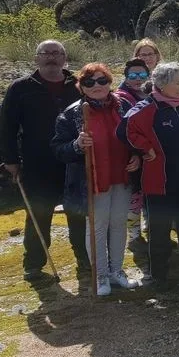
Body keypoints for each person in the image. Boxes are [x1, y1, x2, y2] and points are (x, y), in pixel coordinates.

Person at [0, 40, 90, 282]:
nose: (51, 57)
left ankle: (85, 259)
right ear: (36, 58)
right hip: (37, 162)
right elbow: (7, 126)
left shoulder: (79, 84)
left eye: (56, 53)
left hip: (73, 160)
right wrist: (11, 160)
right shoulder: (20, 88)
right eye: (46, 53)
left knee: (78, 212)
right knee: (39, 213)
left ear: (64, 57)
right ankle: (34, 266)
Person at [118, 62, 179, 291]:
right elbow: (123, 131)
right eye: (177, 83)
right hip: (159, 183)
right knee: (159, 232)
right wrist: (144, 148)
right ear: (161, 84)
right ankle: (158, 276)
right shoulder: (146, 108)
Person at [51, 63, 140, 296]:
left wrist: (136, 156)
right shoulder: (72, 113)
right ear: (81, 87)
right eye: (89, 82)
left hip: (121, 175)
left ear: (110, 82)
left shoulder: (125, 107)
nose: (96, 86)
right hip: (93, 180)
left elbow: (136, 136)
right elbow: (58, 149)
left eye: (102, 81)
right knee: (98, 227)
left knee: (118, 223)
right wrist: (77, 145)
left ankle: (116, 271)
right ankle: (100, 275)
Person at [116, 58, 151, 253]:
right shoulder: (121, 99)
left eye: (142, 74)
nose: (138, 79)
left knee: (150, 194)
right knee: (134, 196)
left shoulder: (154, 94)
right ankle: (134, 237)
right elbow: (123, 131)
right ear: (126, 77)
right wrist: (135, 154)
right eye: (133, 75)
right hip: (132, 155)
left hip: (151, 155)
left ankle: (151, 229)